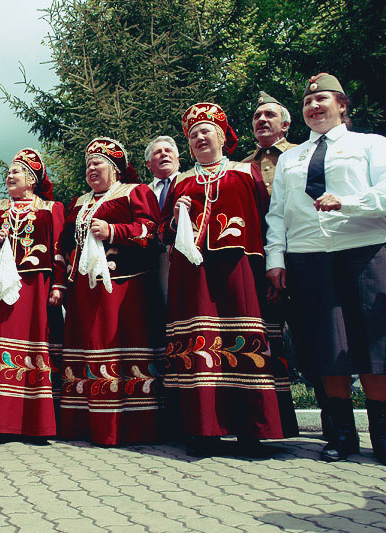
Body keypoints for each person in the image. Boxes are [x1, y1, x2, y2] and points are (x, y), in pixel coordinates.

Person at [162, 103, 297, 456]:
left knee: (242, 338)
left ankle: (252, 431)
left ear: (222, 136)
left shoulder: (245, 171)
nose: (199, 138)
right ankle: (203, 431)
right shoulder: (180, 181)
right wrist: (176, 222)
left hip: (239, 267)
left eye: (206, 131)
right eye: (192, 135)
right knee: (199, 343)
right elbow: (162, 230)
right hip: (192, 274)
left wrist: (273, 264)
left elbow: (270, 218)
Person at [265, 73, 386, 464]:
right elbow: (277, 214)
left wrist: (347, 203)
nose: (314, 107)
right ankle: (340, 435)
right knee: (327, 345)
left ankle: (382, 436)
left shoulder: (370, 145)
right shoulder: (290, 158)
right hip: (308, 256)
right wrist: (276, 260)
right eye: (308, 103)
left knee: (374, 344)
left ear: (342, 105)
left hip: (363, 250)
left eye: (322, 100)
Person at [57, 137, 165, 445]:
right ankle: (86, 423)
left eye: (98, 163)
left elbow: (150, 229)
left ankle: (132, 425)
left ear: (115, 168)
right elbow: (64, 244)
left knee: (121, 346)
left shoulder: (135, 192)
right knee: (89, 347)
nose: (91, 168)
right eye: (88, 164)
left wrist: (113, 231)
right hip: (85, 291)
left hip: (124, 287)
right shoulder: (80, 202)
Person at [243, 91, 333, 438]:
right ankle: (275, 419)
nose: (262, 121)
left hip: (303, 253)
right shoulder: (243, 165)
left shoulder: (302, 155)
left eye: (269, 115)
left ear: (286, 123)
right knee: (268, 339)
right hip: (260, 261)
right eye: (256, 117)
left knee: (315, 333)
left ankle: (332, 416)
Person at [0, 148, 64, 438]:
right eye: (9, 172)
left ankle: (39, 424)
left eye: (17, 171)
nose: (10, 176)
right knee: (0, 344)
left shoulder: (51, 209)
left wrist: (59, 285)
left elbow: (60, 250)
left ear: (32, 179)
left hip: (37, 288)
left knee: (36, 343)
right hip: (0, 289)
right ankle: (1, 423)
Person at [144, 135, 181, 300]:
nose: (164, 154)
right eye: (158, 152)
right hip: (151, 261)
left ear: (178, 159)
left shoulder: (191, 182)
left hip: (184, 255)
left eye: (168, 151)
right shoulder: (141, 192)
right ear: (148, 164)